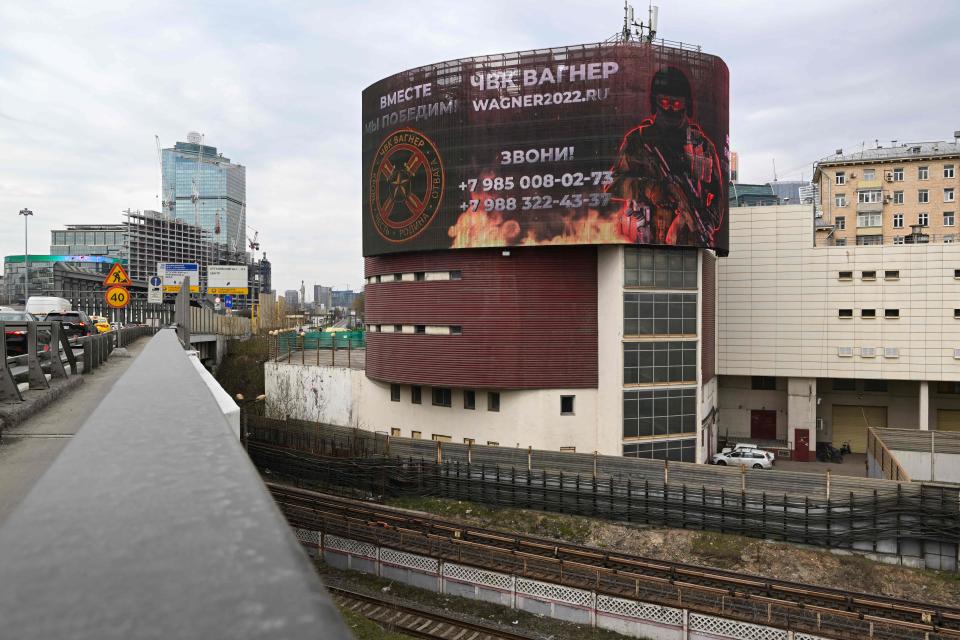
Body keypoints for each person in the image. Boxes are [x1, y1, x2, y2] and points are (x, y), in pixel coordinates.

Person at [607, 66, 723, 247]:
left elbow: (718, 195)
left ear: (686, 104)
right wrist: (649, 189)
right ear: (655, 102)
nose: (670, 108)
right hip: (647, 237)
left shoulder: (703, 146)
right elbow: (613, 184)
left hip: (691, 240)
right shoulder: (639, 140)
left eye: (676, 104)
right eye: (664, 102)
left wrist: (707, 222)